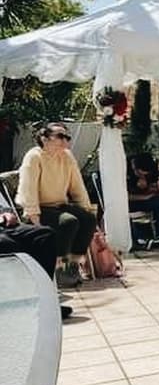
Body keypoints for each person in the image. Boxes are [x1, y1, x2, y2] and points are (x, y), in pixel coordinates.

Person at [16, 122, 97, 288]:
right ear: (44, 138)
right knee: (68, 222)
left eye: (67, 137)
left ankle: (72, 266)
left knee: (88, 219)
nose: (65, 140)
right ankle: (57, 268)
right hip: (37, 208)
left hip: (59, 205)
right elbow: (27, 190)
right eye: (60, 136)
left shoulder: (67, 156)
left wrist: (86, 208)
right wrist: (35, 219)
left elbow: (77, 187)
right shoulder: (34, 157)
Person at [0, 194, 73, 318]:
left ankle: (44, 302)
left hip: (4, 227)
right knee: (8, 245)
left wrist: (6, 213)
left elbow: (4, 207)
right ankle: (22, 304)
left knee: (44, 236)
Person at [127, 152, 159, 250]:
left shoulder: (152, 168)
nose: (141, 175)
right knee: (121, 208)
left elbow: (154, 189)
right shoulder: (125, 169)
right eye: (139, 173)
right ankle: (139, 239)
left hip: (144, 198)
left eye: (145, 174)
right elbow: (122, 196)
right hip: (128, 201)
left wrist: (148, 188)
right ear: (134, 168)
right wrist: (143, 197)